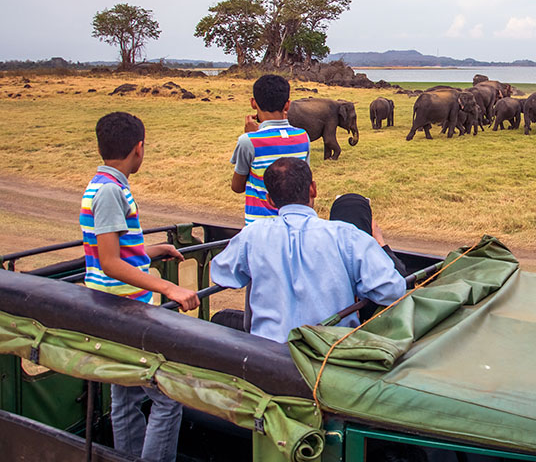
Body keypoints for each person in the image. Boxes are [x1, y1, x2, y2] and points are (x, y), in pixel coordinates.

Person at [80, 111, 200, 462]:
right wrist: (167, 287)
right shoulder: (109, 192)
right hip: (124, 307)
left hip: (114, 303)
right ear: (139, 148)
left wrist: (150, 251)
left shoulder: (106, 185)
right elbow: (110, 262)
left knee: (127, 396)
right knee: (168, 396)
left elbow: (115, 251)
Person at [211, 157, 407, 343]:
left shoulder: (251, 236)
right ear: (313, 189)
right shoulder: (348, 237)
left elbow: (221, 274)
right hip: (328, 355)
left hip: (267, 356)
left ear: (270, 200)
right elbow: (393, 290)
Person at [231, 74, 310, 225]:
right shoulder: (303, 136)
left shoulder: (248, 141)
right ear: (287, 105)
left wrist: (250, 134)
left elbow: (237, 187)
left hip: (259, 226)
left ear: (253, 103)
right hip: (295, 225)